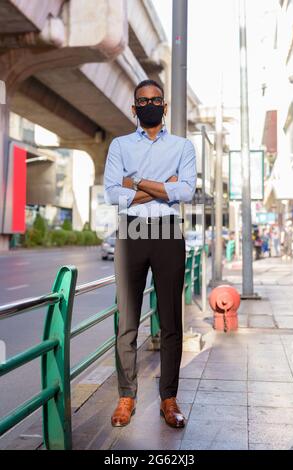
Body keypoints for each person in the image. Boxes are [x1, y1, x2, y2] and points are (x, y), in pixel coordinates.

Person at [104, 79, 197, 429]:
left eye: (156, 99)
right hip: (131, 230)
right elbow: (113, 195)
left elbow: (185, 191)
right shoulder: (120, 145)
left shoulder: (182, 146)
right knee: (127, 321)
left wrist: (137, 182)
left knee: (171, 320)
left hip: (167, 231)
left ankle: (169, 398)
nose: (149, 105)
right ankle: (126, 396)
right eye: (142, 101)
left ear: (165, 106)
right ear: (134, 108)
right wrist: (161, 187)